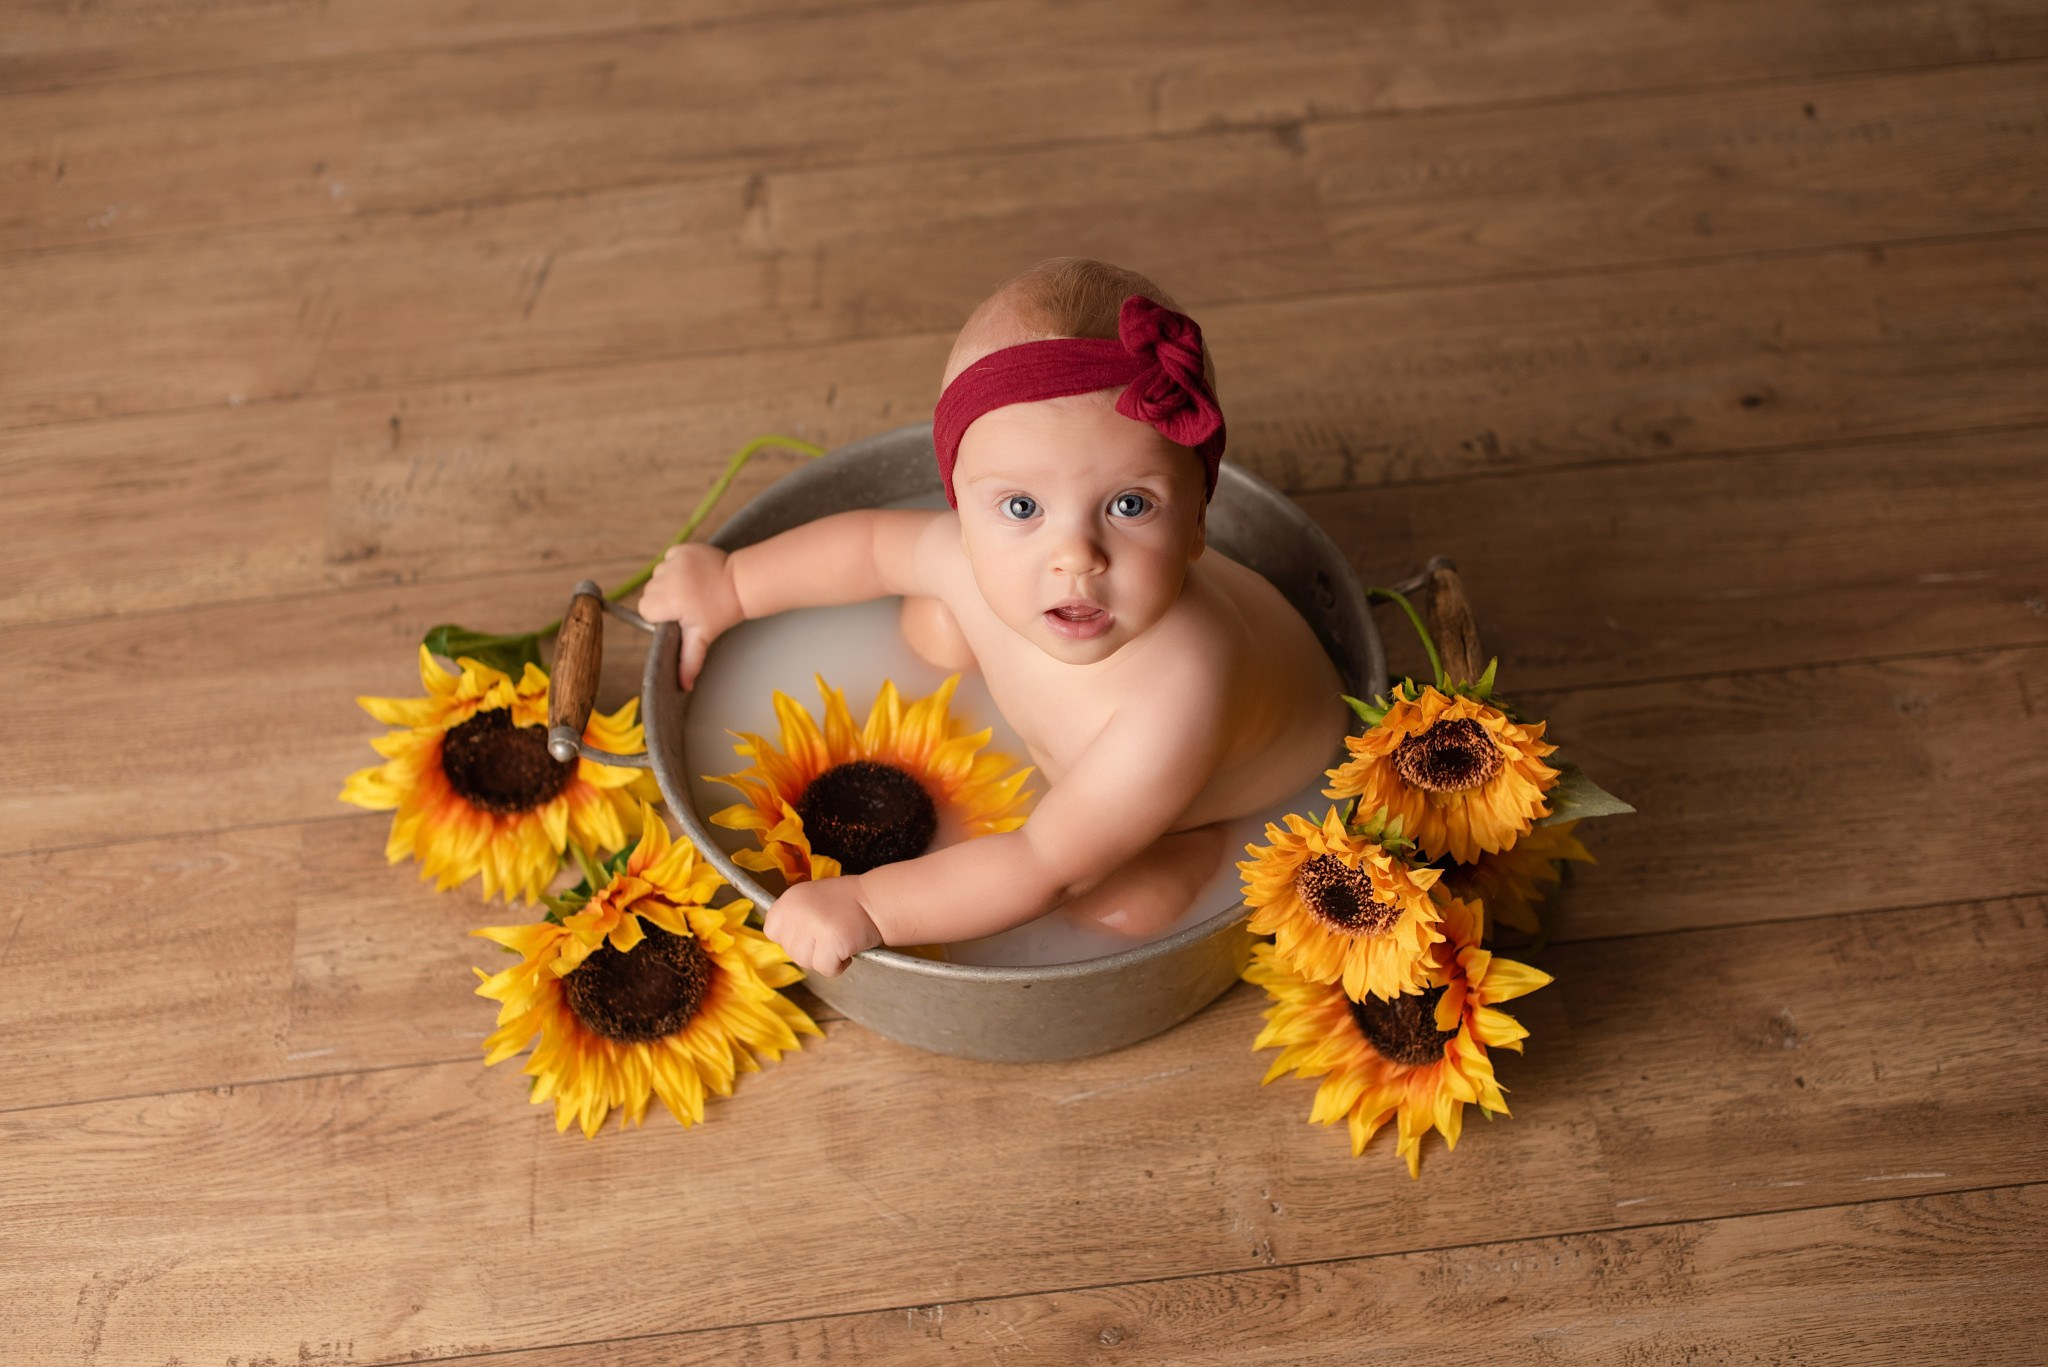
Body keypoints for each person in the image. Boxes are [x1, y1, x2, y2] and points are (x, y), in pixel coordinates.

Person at [639, 257, 1346, 976]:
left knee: (1117, 903)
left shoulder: (1180, 691)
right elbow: (874, 546)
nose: (1074, 556)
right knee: (932, 624)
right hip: (1095, 731)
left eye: (1130, 504)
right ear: (961, 506)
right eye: (1021, 507)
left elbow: (1044, 863)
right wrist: (730, 584)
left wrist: (872, 905)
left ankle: (1192, 847)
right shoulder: (970, 559)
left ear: (1198, 523)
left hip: (1210, 783)